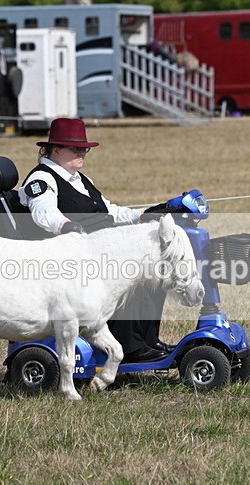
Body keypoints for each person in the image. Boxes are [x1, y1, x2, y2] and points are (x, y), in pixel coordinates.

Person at [18, 117, 173, 363]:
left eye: (85, 149)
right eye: (76, 148)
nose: (82, 153)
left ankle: (147, 340)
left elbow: (109, 211)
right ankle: (130, 348)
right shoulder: (42, 179)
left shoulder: (81, 179)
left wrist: (143, 214)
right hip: (70, 257)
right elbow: (43, 211)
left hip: (97, 251)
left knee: (153, 274)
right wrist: (65, 225)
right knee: (131, 273)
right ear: (55, 150)